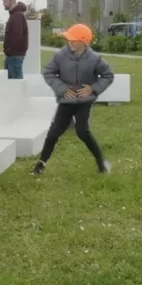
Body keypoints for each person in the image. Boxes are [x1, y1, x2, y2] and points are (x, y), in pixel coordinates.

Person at [32, 23, 114, 176]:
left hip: (84, 102)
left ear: (84, 42)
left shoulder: (95, 59)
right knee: (54, 132)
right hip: (66, 101)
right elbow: (48, 72)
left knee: (82, 131)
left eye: (74, 40)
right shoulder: (60, 55)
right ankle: (40, 165)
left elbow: (108, 76)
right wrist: (63, 89)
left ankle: (101, 162)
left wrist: (93, 88)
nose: (70, 42)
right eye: (69, 39)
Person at [1, 0, 29, 79]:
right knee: (11, 84)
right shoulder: (15, 14)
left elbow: (17, 36)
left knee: (16, 84)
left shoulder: (17, 15)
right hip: (12, 55)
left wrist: (8, 51)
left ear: (12, 0)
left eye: (5, 1)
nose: (3, 4)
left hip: (15, 55)